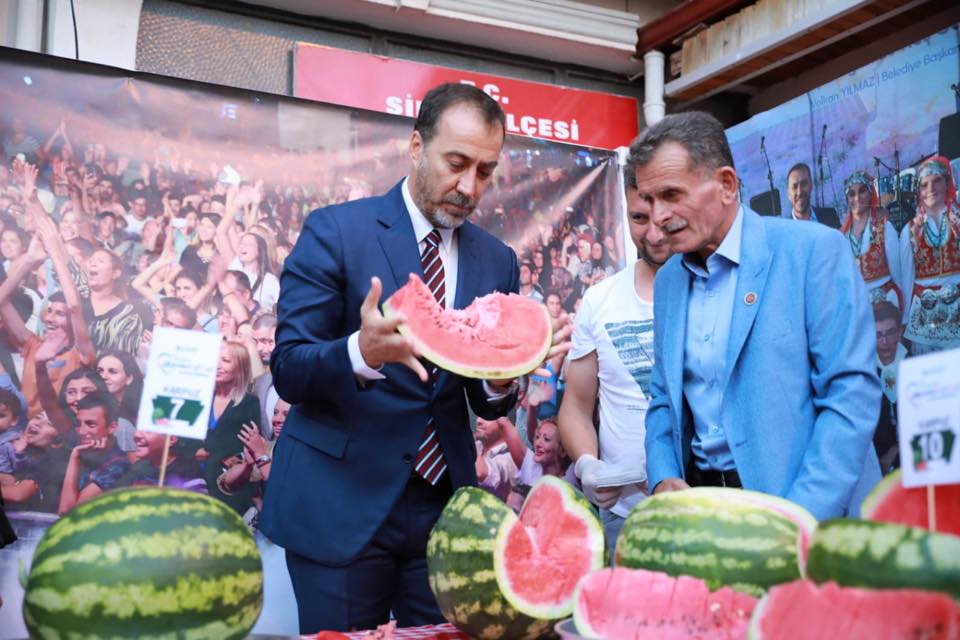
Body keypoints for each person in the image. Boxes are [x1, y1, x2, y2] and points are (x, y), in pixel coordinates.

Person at [260, 82, 570, 633]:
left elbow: (480, 391)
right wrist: (361, 351)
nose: (469, 186)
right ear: (414, 146)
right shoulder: (336, 231)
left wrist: (507, 378)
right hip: (342, 502)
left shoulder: (496, 259)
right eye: (456, 163)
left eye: (485, 171)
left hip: (441, 508)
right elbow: (288, 368)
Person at [636, 112, 880, 521]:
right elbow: (663, 397)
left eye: (672, 195)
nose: (658, 216)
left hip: (808, 513)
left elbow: (850, 395)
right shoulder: (669, 282)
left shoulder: (813, 252)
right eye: (649, 200)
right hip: (705, 511)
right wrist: (662, 476)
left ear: (727, 185)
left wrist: (802, 516)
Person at [559, 165, 671, 555]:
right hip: (624, 515)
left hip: (707, 508)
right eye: (639, 218)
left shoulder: (713, 290)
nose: (653, 233)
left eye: (664, 218)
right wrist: (588, 464)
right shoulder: (600, 300)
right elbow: (575, 406)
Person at [899, 155, 960, 354]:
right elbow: (906, 280)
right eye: (924, 185)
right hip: (924, 316)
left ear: (947, 182)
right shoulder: (910, 231)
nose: (930, 189)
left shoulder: (957, 221)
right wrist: (905, 321)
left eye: (936, 182)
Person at [57, 391, 131, 513]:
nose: (81, 431)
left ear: (112, 427)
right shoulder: (83, 453)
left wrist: (75, 458)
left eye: (90, 424)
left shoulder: (119, 466)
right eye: (78, 424)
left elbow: (67, 514)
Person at [840, 170, 903, 314]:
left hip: (885, 306)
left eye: (862, 191)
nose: (857, 198)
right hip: (857, 311)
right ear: (847, 199)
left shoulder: (885, 229)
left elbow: (898, 277)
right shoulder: (842, 237)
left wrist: (901, 316)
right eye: (851, 194)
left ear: (870, 194)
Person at [872, 301, 904, 475]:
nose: (884, 342)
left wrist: (895, 451)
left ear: (900, 332)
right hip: (876, 458)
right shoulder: (865, 371)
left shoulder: (912, 364)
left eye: (890, 332)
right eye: (878, 335)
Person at [474, 416, 522, 502]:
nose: (478, 421)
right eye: (478, 415)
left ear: (503, 424)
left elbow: (481, 473)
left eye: (487, 417)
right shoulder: (478, 445)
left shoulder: (510, 458)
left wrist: (465, 439)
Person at [784, 163, 840, 228]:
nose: (799, 192)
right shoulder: (783, 230)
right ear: (788, 193)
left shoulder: (830, 216)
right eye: (795, 187)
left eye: (804, 184)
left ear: (811, 186)